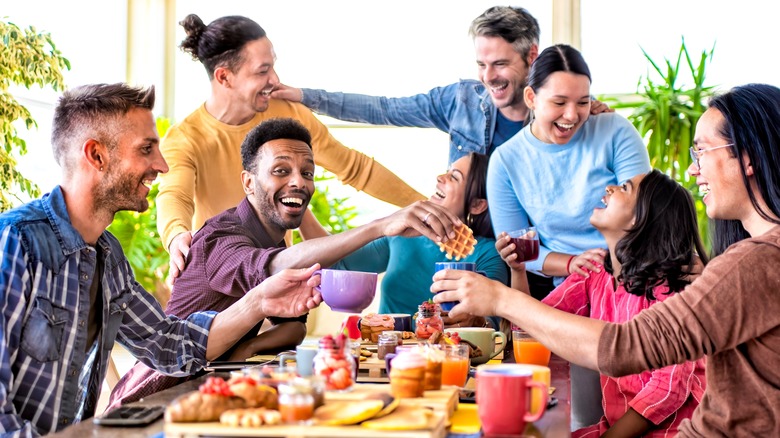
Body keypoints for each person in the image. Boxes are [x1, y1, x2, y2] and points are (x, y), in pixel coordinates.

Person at [431, 83, 780, 437]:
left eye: (701, 151)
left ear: (747, 158)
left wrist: (501, 298)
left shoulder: (756, 262)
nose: (692, 170)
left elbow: (629, 348)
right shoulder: (739, 264)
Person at [0, 83, 322, 436]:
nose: (162, 165)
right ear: (96, 156)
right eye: (147, 149)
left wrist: (260, 301)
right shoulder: (15, 243)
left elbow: (168, 343)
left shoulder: (108, 257)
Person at [108, 117, 461, 410]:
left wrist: (247, 348)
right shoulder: (222, 237)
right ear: (248, 182)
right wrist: (380, 226)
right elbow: (273, 267)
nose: (298, 182)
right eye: (281, 170)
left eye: (307, 173)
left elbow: (293, 327)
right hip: (158, 399)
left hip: (216, 388)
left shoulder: (274, 237)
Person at [159, 14, 427, 281]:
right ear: (224, 77)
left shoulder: (287, 113)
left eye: (273, 67)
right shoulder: (186, 137)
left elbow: (355, 168)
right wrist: (176, 236)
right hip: (221, 279)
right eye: (263, 71)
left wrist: (430, 208)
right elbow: (175, 195)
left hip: (279, 277)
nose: (275, 79)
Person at [272, 6, 609, 165]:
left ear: (531, 56)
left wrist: (590, 116)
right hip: (475, 246)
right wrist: (304, 96)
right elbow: (384, 109)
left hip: (539, 252)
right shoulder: (460, 101)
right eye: (481, 64)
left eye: (501, 64)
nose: (488, 77)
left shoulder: (565, 111)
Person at [521, 170, 706, 436]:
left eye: (624, 188)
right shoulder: (596, 273)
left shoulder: (671, 291)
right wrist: (517, 269)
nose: (610, 188)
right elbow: (533, 323)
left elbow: (668, 389)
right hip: (613, 428)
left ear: (640, 219)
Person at [333, 152, 508, 328]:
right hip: (386, 349)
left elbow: (492, 321)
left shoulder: (487, 253)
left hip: (447, 352)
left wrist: (476, 320)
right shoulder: (401, 235)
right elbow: (335, 263)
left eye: (454, 176)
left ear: (477, 205)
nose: (440, 177)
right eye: (447, 171)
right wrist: (305, 212)